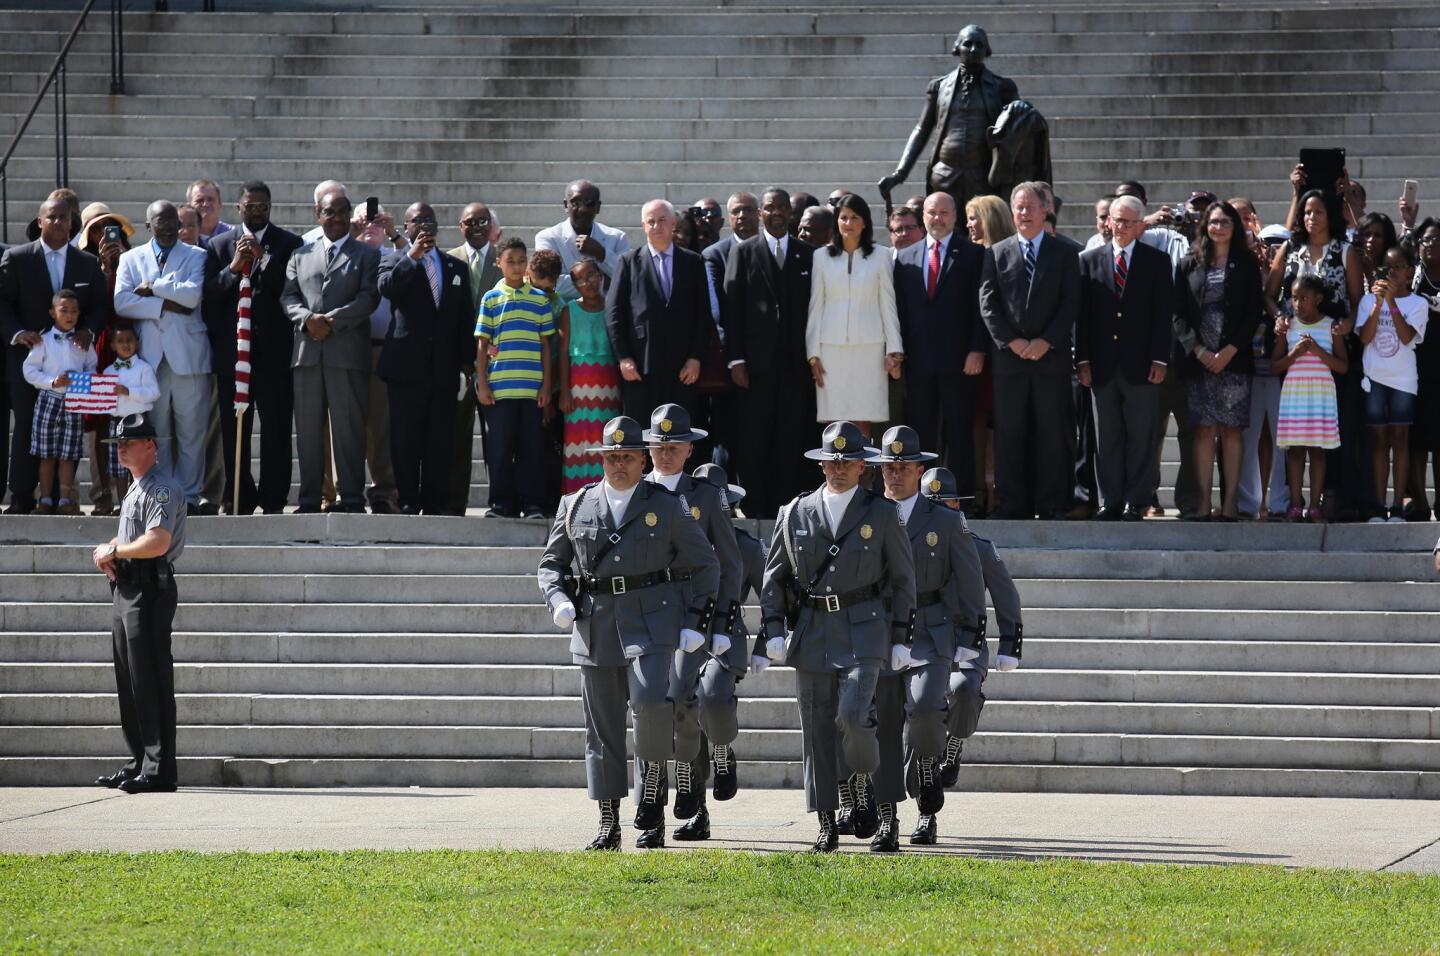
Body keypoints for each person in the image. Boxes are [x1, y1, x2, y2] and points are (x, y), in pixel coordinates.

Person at [537, 416, 720, 851]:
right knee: (602, 728)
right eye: (611, 456)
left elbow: (706, 564)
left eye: (628, 457)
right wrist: (558, 599)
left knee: (651, 705)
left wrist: (696, 621)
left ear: (643, 460)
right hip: (595, 624)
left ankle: (652, 798)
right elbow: (551, 565)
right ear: (601, 459)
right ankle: (608, 820)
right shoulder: (576, 505)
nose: (618, 464)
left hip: (653, 621)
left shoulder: (665, 505)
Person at [761, 421, 917, 853]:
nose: (839, 468)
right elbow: (774, 578)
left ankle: (870, 793)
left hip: (866, 627)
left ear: (863, 467)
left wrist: (902, 636)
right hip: (813, 630)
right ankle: (827, 822)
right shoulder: (794, 512)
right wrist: (774, 627)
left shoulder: (882, 513)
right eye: (833, 460)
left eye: (848, 461)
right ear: (822, 463)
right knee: (816, 730)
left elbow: (904, 580)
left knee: (856, 717)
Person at [867, 427, 983, 853]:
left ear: (919, 470)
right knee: (880, 728)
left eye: (904, 468)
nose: (895, 475)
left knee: (926, 709)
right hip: (878, 630)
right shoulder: (866, 514)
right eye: (889, 468)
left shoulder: (946, 521)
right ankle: (887, 820)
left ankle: (929, 775)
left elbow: (969, 581)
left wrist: (970, 634)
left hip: (931, 629)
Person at [633, 405, 742, 848]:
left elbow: (729, 564)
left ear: (689, 449)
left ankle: (693, 798)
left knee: (681, 700)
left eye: (673, 447)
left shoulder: (704, 495)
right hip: (645, 612)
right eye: (658, 447)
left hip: (693, 610)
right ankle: (651, 814)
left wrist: (720, 622)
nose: (664, 454)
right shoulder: (634, 492)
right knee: (648, 708)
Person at [914, 464, 1022, 845]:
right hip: (921, 642)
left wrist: (1010, 643)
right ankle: (919, 814)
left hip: (965, 642)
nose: (940, 508)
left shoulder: (977, 547)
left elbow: (1006, 595)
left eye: (946, 502)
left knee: (962, 691)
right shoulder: (909, 541)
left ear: (958, 505)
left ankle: (955, 744)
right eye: (932, 502)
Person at [92, 411, 186, 794]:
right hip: (128, 588)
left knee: (149, 676)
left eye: (128, 443)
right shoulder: (135, 486)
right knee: (130, 680)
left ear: (151, 445)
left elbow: (158, 541)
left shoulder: (160, 487)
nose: (121, 450)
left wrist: (115, 548)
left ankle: (160, 768)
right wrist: (115, 558)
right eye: (117, 444)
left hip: (150, 590)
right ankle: (139, 762)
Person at [979, 182, 1080, 519]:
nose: (1023, 213)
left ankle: (1051, 503)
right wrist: (1013, 341)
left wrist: (1045, 340)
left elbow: (1070, 303)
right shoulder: (997, 252)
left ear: (1043, 210)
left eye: (1029, 207)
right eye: (1018, 207)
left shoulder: (1064, 252)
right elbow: (989, 304)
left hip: (1050, 359)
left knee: (1051, 433)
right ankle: (1012, 503)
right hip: (1010, 361)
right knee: (1010, 433)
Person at [0, 198, 108, 513]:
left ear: (73, 223)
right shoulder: (17, 258)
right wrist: (18, 334)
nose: (59, 222)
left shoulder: (87, 262)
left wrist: (89, 329)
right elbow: (2, 302)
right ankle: (22, 496)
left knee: (67, 430)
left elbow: (99, 305)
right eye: (53, 217)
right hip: (28, 360)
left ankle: (62, 498)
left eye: (64, 217)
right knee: (25, 426)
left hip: (71, 365)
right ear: (40, 221)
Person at [202, 180, 304, 516]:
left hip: (274, 354)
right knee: (235, 432)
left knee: (276, 429)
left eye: (263, 207)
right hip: (234, 355)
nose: (257, 212)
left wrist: (265, 261)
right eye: (251, 207)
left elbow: (291, 290)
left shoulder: (289, 244)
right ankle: (239, 498)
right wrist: (233, 268)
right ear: (239, 208)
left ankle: (274, 499)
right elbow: (209, 299)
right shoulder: (218, 246)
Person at [675, 461, 764, 842]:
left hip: (725, 637)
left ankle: (724, 749)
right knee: (684, 710)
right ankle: (697, 806)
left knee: (711, 696)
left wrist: (768, 641)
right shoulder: (675, 540)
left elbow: (774, 596)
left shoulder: (746, 546)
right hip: (682, 637)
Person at [1267, 188, 1366, 520]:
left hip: (1333, 346)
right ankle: (1297, 502)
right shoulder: (1289, 248)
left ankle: (1327, 499)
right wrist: (1279, 318)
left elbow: (1356, 299)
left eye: (1318, 212)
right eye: (1307, 212)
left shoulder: (1345, 250)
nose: (1311, 218)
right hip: (1295, 351)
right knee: (1297, 439)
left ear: (1331, 215)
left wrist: (1347, 325)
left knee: (1327, 437)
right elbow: (1269, 295)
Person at [281, 191, 380, 514]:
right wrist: (307, 319)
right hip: (307, 354)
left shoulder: (365, 254)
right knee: (308, 431)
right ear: (317, 214)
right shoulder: (300, 253)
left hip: (346, 353)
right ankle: (310, 498)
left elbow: (368, 299)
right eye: (328, 211)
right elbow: (288, 297)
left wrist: (332, 322)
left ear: (350, 215)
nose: (335, 217)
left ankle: (351, 497)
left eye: (341, 211)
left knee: (349, 429)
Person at [1076, 194, 1174, 521]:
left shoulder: (1156, 261)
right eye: (1115, 220)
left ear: (1140, 226)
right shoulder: (1089, 260)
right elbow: (1083, 318)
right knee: (1107, 438)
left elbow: (1163, 316)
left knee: (1141, 436)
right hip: (1101, 366)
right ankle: (1111, 500)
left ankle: (1137, 500)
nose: (1119, 227)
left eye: (1127, 222)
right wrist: (1083, 360)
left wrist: (1160, 359)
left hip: (1142, 364)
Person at [721, 187, 817, 518]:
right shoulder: (744, 252)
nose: (776, 212)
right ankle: (754, 505)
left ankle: (789, 504)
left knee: (791, 434)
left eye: (782, 207)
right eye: (770, 207)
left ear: (791, 213)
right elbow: (731, 307)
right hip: (755, 364)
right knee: (754, 435)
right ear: (760, 213)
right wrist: (735, 358)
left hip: (796, 364)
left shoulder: (808, 253)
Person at [376, 202, 474, 516]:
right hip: (406, 369)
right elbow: (387, 289)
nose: (424, 224)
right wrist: (412, 256)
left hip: (443, 370)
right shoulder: (393, 260)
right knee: (405, 439)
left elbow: (463, 318)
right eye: (417, 220)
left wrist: (466, 364)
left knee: (440, 440)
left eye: (429, 219)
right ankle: (407, 500)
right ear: (406, 228)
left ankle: (434, 503)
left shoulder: (455, 267)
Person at [113, 200, 210, 514]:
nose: (168, 227)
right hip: (150, 360)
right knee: (158, 433)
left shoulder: (197, 255)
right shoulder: (130, 258)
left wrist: (154, 287)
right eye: (160, 221)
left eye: (173, 221)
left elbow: (193, 296)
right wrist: (167, 302)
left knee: (191, 431)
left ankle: (190, 496)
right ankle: (163, 494)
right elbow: (122, 303)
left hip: (188, 356)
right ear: (147, 226)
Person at [1174, 201, 1263, 521]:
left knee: (1231, 431)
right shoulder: (1189, 262)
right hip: (1199, 362)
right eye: (1213, 222)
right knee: (1202, 430)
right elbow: (1178, 313)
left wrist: (1229, 351)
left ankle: (1229, 506)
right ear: (1204, 226)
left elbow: (1254, 312)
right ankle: (1201, 504)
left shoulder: (1247, 263)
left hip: (1234, 361)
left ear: (1235, 227)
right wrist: (1197, 350)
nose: (1219, 227)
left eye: (1225, 221)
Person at [894, 193, 986, 492]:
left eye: (944, 212)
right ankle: (922, 496)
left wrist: (977, 348)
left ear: (955, 215)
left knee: (960, 431)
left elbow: (980, 308)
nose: (937, 218)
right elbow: (901, 311)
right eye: (932, 212)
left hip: (960, 360)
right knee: (921, 433)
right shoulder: (906, 257)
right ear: (923, 216)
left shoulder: (973, 254)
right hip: (918, 361)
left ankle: (961, 496)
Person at [879, 24, 1019, 208]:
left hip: (983, 177)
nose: (974, 49)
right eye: (968, 44)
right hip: (944, 175)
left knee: (983, 232)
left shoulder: (1003, 88)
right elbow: (921, 129)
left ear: (987, 50)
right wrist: (900, 173)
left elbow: (1018, 130)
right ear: (957, 48)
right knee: (945, 231)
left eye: (979, 45)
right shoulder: (939, 87)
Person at [806, 194, 903, 437]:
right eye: (843, 218)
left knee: (863, 419)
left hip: (869, 348)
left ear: (865, 223)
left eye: (854, 217)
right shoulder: (821, 256)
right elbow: (816, 306)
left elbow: (887, 303)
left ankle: (862, 475)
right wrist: (813, 354)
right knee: (836, 421)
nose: (848, 223)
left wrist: (894, 349)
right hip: (831, 348)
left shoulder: (881, 255)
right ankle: (836, 474)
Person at [605, 200, 709, 421]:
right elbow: (614, 313)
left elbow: (703, 314)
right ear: (643, 226)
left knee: (679, 434)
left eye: (662, 220)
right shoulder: (628, 262)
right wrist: (623, 357)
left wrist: (695, 357)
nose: (656, 226)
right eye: (651, 222)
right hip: (641, 366)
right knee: (641, 433)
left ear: (673, 223)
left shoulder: (693, 262)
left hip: (683, 369)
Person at [474, 237, 555, 518]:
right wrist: (482, 384)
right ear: (499, 263)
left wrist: (546, 385)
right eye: (510, 261)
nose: (517, 267)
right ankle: (501, 503)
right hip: (500, 390)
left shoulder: (539, 299)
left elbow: (546, 344)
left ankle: (531, 503)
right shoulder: (491, 299)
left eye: (522, 261)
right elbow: (483, 344)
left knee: (531, 449)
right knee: (500, 448)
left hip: (532, 390)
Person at [1356, 245, 1427, 522]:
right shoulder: (1368, 301)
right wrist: (1378, 303)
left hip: (1403, 380)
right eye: (1387, 268)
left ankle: (1396, 504)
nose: (1393, 273)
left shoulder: (1418, 304)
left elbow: (1408, 337)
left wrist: (1393, 302)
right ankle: (1377, 504)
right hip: (1374, 377)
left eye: (1398, 267)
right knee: (1377, 441)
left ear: (1410, 272)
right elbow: (1364, 337)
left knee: (1400, 440)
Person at [1274, 274, 1349, 522]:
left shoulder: (1331, 326)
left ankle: (1315, 506)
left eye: (1303, 298)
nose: (1297, 304)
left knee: (1318, 452)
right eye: (1294, 298)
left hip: (1320, 396)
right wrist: (1294, 353)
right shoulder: (1287, 326)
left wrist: (1317, 351)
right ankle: (1296, 505)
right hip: (1294, 395)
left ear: (1317, 299)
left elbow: (1343, 366)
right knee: (1295, 452)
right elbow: (1275, 366)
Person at [446, 200, 502, 517]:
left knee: (496, 438)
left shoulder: (503, 260)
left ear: (491, 227)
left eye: (482, 221)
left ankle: (500, 501)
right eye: (469, 222)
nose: (476, 228)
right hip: (460, 365)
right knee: (457, 437)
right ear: (461, 226)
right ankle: (454, 503)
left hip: (498, 364)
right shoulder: (448, 259)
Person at [21, 290, 96, 514]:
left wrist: (81, 380)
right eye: (64, 310)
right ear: (52, 313)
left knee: (68, 454)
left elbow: (92, 366)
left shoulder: (83, 342)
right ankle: (44, 500)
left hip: (73, 401)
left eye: (74, 311)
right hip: (48, 399)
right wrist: (51, 382)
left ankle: (65, 501)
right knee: (47, 454)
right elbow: (29, 370)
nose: (69, 315)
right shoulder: (43, 340)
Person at [558, 259, 623, 493]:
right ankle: (577, 495)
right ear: (575, 285)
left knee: (606, 440)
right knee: (578, 444)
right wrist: (564, 390)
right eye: (582, 279)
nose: (589, 282)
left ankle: (607, 492)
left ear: (601, 276)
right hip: (578, 385)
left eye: (592, 275)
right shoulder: (569, 310)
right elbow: (563, 352)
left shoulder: (612, 307)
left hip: (608, 384)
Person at [535, 179, 631, 302]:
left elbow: (628, 279)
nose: (583, 209)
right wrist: (602, 282)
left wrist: (602, 254)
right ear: (566, 205)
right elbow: (550, 282)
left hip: (605, 316)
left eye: (589, 203)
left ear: (598, 207)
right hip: (562, 316)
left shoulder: (617, 237)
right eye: (576, 203)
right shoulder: (548, 238)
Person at [99, 322, 158, 503]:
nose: (125, 344)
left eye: (129, 340)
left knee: (140, 464)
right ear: (112, 345)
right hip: (117, 423)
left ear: (137, 343)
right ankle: (124, 503)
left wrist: (129, 392)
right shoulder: (108, 371)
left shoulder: (144, 368)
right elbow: (103, 399)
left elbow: (154, 393)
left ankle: (141, 502)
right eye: (120, 341)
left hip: (139, 423)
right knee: (119, 466)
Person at [1407, 218, 1440, 520]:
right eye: (1426, 240)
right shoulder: (1412, 278)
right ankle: (1418, 501)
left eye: (1437, 240)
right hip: (1415, 370)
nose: (1431, 245)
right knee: (1417, 440)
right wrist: (1408, 224)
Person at [186, 179, 232, 245]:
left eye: (210, 200)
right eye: (200, 200)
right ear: (189, 206)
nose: (206, 204)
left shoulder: (233, 235)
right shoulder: (182, 237)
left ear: (220, 205)